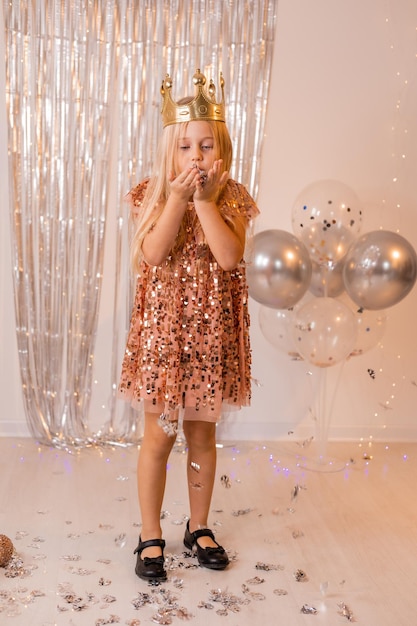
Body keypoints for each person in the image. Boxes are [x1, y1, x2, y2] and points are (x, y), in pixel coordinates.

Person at [118, 69, 259, 582]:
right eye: (184, 147)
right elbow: (153, 254)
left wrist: (203, 200)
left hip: (208, 344)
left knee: (202, 437)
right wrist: (178, 199)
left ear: (220, 150)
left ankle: (198, 526)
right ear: (168, 153)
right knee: (157, 437)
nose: (194, 157)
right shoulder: (150, 195)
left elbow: (228, 258)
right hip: (164, 341)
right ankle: (149, 531)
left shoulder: (231, 198)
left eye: (205, 146)